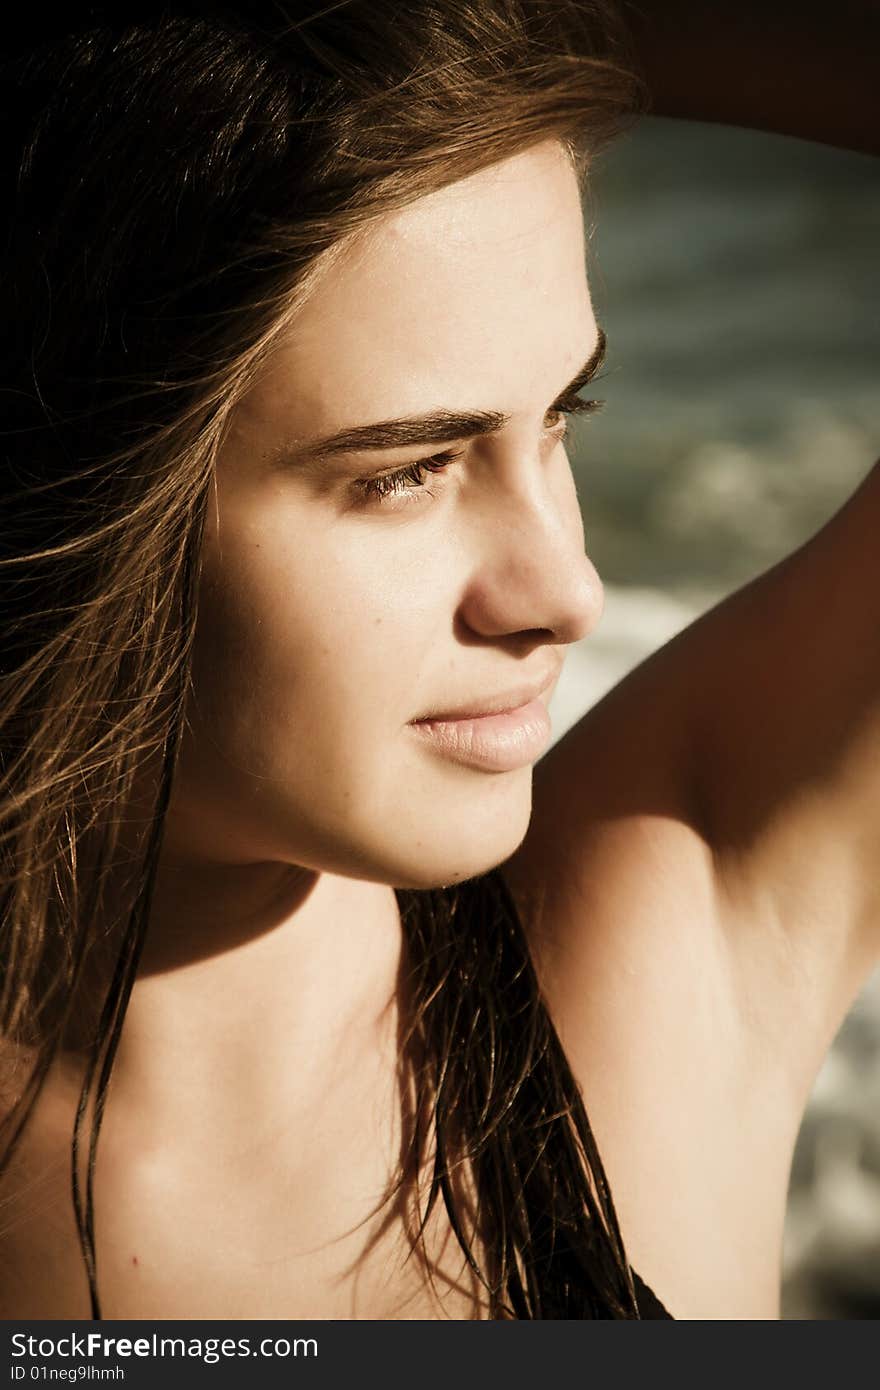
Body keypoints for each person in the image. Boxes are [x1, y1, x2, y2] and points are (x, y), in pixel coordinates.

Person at [0, 0, 876, 1321]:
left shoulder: (661, 936)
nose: (563, 592)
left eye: (563, 420)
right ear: (78, 497)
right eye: (406, 472)